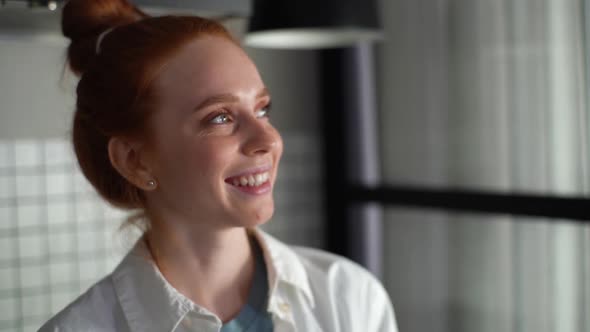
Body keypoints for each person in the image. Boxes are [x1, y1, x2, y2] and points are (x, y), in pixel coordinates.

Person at [39, 0, 398, 331]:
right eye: (220, 117)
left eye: (262, 109)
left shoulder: (350, 297)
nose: (268, 140)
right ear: (136, 161)